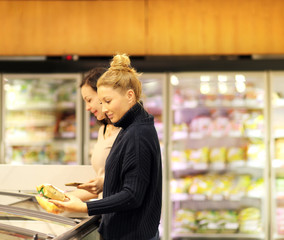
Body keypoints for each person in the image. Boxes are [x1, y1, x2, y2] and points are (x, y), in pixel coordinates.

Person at [51, 54, 162, 240]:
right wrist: (106, 182)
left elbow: (132, 195)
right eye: (101, 102)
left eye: (108, 101)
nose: (103, 109)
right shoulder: (130, 127)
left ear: (130, 96)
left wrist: (85, 207)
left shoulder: (137, 134)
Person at [70, 67, 121, 201]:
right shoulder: (102, 130)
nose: (87, 108)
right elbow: (100, 188)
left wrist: (84, 207)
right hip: (105, 213)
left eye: (89, 100)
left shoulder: (127, 132)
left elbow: (131, 184)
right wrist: (65, 197)